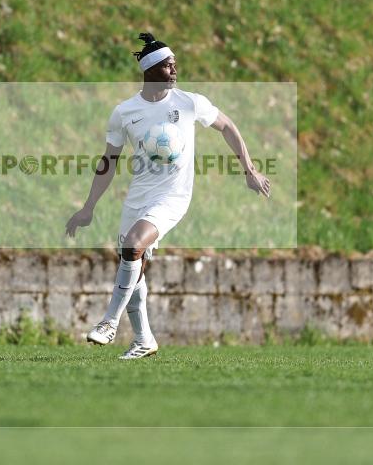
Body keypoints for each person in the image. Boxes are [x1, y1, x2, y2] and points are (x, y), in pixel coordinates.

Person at [65, 32, 270, 359]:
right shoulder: (124, 112)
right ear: (149, 70)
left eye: (175, 64)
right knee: (133, 263)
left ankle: (108, 322)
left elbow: (228, 126)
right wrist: (88, 206)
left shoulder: (189, 102)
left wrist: (250, 169)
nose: (174, 70)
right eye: (167, 65)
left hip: (173, 197)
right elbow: (108, 161)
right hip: (137, 199)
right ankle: (144, 340)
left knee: (133, 245)